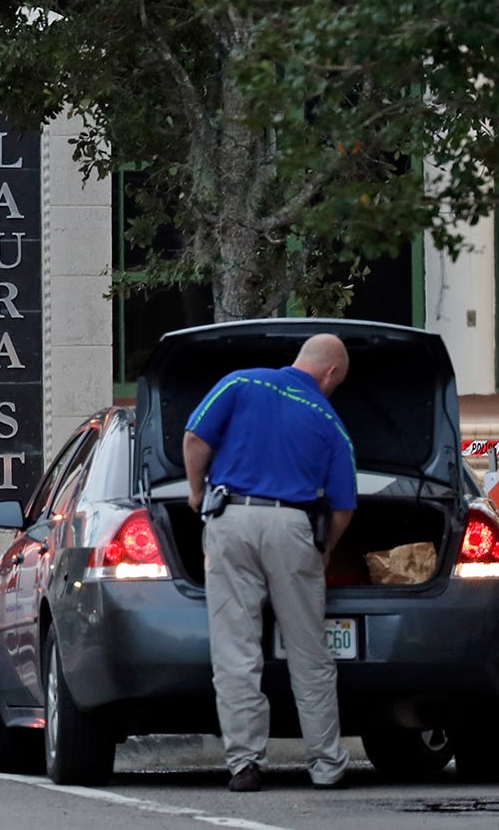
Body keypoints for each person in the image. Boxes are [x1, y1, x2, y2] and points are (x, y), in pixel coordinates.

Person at [182, 333, 357, 792]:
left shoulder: (240, 383)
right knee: (310, 653)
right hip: (292, 526)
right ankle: (326, 765)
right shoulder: (330, 420)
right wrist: (325, 550)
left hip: (230, 518)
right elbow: (342, 508)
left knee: (235, 650)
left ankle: (245, 764)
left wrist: (197, 492)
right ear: (331, 373)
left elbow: (195, 437)